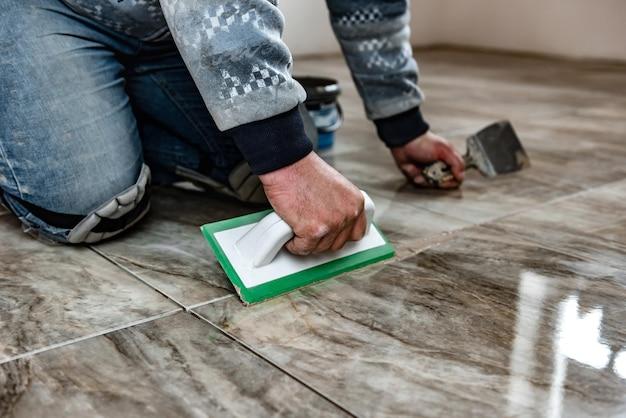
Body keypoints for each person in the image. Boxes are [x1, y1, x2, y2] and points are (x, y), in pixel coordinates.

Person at [0, 0, 464, 254]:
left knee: (288, 126)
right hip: (46, 10)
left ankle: (119, 106)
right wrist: (287, 163)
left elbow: (370, 6)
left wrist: (403, 125)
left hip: (169, 29)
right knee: (85, 211)